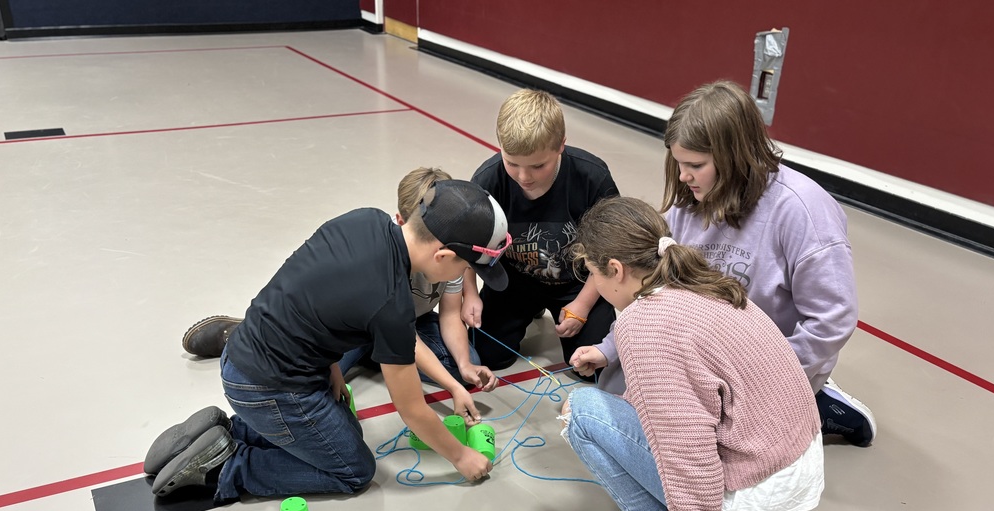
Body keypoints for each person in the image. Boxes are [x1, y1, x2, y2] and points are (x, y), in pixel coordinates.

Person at [143, 179, 511, 502]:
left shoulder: (364, 219)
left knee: (345, 428)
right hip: (267, 387)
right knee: (352, 469)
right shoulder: (392, 304)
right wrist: (460, 456)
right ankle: (226, 467)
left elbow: (313, 292)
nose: (465, 275)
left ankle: (225, 431)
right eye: (465, 268)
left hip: (246, 353)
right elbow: (412, 409)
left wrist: (331, 361)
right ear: (443, 255)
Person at [561, 196, 847, 511]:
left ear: (616, 271)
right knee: (629, 407)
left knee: (582, 412)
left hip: (754, 500)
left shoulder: (643, 323)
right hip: (789, 466)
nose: (595, 285)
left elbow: (685, 448)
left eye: (593, 275)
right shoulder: (699, 281)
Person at [574, 80, 876, 446]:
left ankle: (815, 404)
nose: (683, 177)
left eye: (696, 165)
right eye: (679, 163)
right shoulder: (688, 204)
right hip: (706, 355)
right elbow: (651, 293)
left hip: (767, 370)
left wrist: (777, 383)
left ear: (735, 158)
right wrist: (610, 348)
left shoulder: (803, 212)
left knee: (688, 443)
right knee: (617, 392)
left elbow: (832, 320)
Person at [180, 168, 499, 425]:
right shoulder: (384, 281)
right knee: (320, 379)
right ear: (402, 221)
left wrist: (462, 367)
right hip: (365, 325)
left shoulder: (450, 261)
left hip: (398, 325)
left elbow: (445, 314)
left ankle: (383, 354)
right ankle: (248, 330)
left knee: (465, 363)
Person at [462, 89, 619, 377]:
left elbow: (611, 254)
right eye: (512, 163)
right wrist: (470, 293)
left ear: (561, 145)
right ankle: (528, 309)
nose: (524, 177)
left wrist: (582, 305)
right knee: (486, 356)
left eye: (538, 165)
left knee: (590, 367)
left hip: (577, 281)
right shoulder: (487, 180)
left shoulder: (592, 178)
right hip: (512, 282)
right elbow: (468, 245)